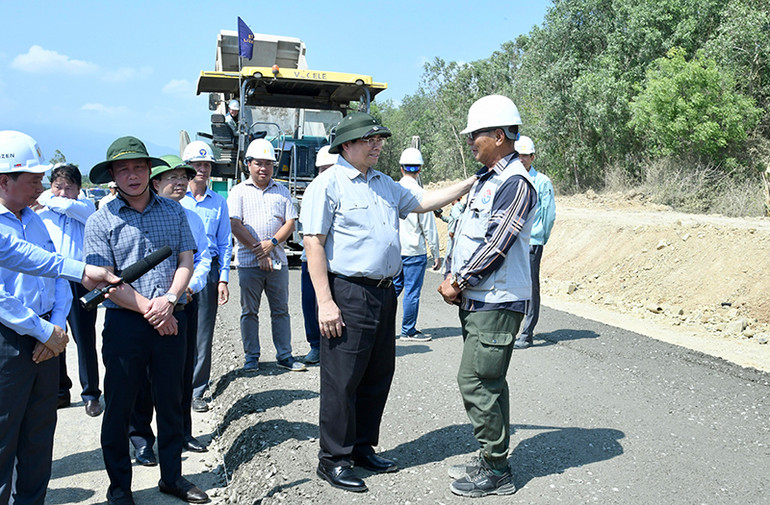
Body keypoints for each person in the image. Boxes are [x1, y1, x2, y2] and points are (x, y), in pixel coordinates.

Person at [300, 112, 479, 493]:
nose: (378, 145)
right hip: (347, 292)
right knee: (342, 379)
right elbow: (314, 243)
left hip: (384, 292)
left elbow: (424, 201)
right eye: (369, 139)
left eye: (380, 139)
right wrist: (325, 302)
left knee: (377, 374)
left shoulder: (384, 184)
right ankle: (333, 459)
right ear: (346, 145)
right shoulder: (327, 185)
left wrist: (469, 182)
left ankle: (362, 447)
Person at [84, 136, 208, 505]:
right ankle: (119, 487)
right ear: (113, 175)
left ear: (150, 171)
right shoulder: (99, 220)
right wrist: (151, 310)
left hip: (172, 318)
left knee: (171, 403)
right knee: (120, 406)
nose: (133, 175)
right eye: (124, 169)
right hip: (127, 325)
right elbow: (105, 281)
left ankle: (172, 477)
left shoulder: (173, 212)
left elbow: (186, 260)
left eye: (139, 167)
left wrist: (169, 300)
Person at [437, 95, 537, 498]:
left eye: (476, 134)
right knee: (490, 381)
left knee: (475, 381)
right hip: (481, 299)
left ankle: (497, 470)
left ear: (499, 135)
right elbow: (466, 232)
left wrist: (458, 280)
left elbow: (497, 244)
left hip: (496, 299)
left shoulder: (516, 183)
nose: (470, 141)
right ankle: (492, 455)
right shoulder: (489, 179)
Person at [0, 130, 73, 505]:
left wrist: (57, 325)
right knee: (4, 436)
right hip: (9, 342)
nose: (40, 188)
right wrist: (44, 330)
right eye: (33, 180)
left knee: (38, 434)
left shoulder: (36, 220)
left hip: (48, 335)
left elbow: (56, 273)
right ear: (4, 180)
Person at [129, 154, 213, 468]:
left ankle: (182, 433)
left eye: (183, 177)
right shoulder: (139, 215)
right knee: (141, 379)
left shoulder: (190, 216)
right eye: (171, 177)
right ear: (155, 182)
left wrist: (191, 286)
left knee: (180, 374)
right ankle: (141, 440)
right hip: (144, 308)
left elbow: (203, 256)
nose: (179, 183)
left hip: (182, 305)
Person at [228, 138, 305, 372]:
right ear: (248, 164)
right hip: (248, 264)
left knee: (280, 310)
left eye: (268, 164)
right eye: (258, 163)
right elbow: (235, 224)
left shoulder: (281, 191)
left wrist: (270, 245)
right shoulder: (238, 192)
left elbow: (290, 223)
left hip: (277, 262)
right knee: (249, 311)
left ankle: (285, 355)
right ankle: (251, 356)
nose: (264, 168)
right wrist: (259, 251)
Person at [38, 163, 102, 416]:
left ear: (79, 189)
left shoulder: (85, 209)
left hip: (80, 280)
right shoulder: (42, 215)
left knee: (84, 338)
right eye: (58, 187)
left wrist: (48, 197)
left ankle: (91, 394)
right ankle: (60, 391)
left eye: (69, 187)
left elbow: (64, 205)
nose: (63, 193)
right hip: (52, 280)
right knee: (54, 333)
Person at [181, 141, 232, 413]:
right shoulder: (176, 200)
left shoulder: (219, 203)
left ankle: (197, 390)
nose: (202, 169)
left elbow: (225, 243)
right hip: (178, 269)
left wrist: (223, 278)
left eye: (206, 165)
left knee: (203, 334)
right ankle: (174, 385)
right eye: (196, 165)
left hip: (208, 270)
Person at [393, 147, 441, 341]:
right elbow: (429, 227)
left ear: (401, 168)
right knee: (412, 292)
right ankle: (408, 330)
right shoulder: (422, 194)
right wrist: (436, 253)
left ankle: (379, 326)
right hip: (414, 251)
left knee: (392, 290)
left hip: (395, 251)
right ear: (419, 169)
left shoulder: (393, 191)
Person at [514, 136, 556, 349]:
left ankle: (527, 333)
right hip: (514, 241)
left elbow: (548, 214)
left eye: (525, 155)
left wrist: (541, 237)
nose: (521, 159)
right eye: (518, 155)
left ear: (532, 156)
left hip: (532, 241)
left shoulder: (541, 182)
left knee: (530, 287)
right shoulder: (511, 179)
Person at [300, 145, 337, 365]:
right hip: (311, 260)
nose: (326, 173)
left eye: (330, 168)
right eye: (322, 169)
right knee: (311, 304)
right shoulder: (314, 190)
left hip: (335, 263)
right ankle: (315, 345)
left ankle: (332, 348)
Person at [439, 196, 466, 268]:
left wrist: (452, 231)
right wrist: (441, 217)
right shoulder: (459, 207)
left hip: (453, 235)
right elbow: (451, 220)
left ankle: (448, 270)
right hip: (455, 234)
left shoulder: (455, 208)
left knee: (449, 253)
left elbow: (458, 219)